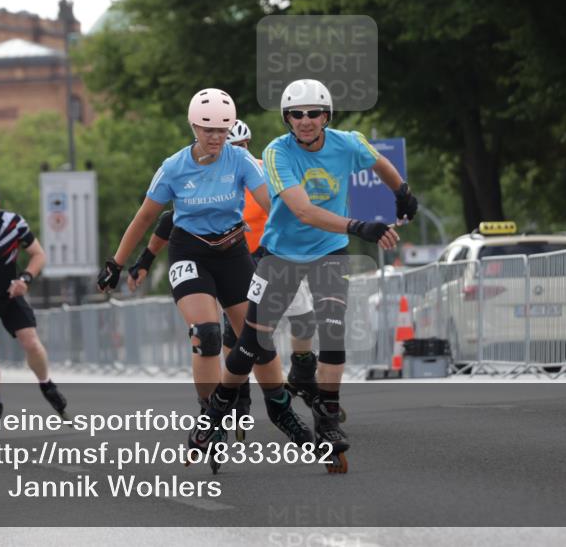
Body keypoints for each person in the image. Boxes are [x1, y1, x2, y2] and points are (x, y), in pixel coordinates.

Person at [191, 79, 417, 473]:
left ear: (326, 115)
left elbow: (377, 160)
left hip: (329, 253)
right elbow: (304, 212)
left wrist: (402, 191)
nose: (306, 121)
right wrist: (360, 225)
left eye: (314, 113)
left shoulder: (347, 143)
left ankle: (327, 420)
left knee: (333, 331)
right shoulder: (278, 152)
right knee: (250, 346)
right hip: (280, 254)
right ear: (287, 118)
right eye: (297, 114)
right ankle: (216, 411)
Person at [100, 88, 313, 448]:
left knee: (256, 339)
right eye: (207, 129)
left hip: (233, 253)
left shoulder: (241, 161)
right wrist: (116, 263)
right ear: (193, 127)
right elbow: (147, 218)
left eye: (222, 129)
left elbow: (271, 205)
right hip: (190, 254)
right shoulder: (174, 167)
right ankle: (209, 413)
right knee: (208, 334)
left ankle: (279, 408)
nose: (215, 137)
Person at [223, 120, 323, 416]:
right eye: (233, 147)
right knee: (239, 328)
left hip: (274, 253)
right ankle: (236, 390)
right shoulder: (216, 180)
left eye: (243, 145)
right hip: (238, 258)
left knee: (304, 317)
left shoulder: (261, 170)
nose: (240, 152)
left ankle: (303, 372)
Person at [0, 179, 66, 436]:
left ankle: (47, 386)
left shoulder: (13, 223)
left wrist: (26, 279)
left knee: (31, 341)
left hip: (11, 291)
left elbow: (39, 255)